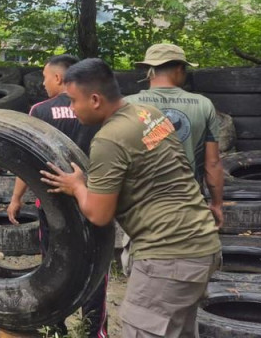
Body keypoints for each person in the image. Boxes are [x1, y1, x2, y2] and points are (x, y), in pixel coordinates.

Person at [41, 58, 221, 338]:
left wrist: (76, 186)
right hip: (202, 244)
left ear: (96, 99)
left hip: (167, 257)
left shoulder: (108, 139)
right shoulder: (148, 114)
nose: (72, 109)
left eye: (74, 101)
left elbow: (99, 214)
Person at [7, 55, 106, 338]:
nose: (42, 82)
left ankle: (55, 329)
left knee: (53, 265)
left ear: (59, 79)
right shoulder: (97, 106)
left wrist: (16, 198)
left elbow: (24, 160)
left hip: (51, 204)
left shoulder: (40, 110)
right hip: (92, 199)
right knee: (95, 267)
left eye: (45, 77)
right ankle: (94, 332)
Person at [125, 43, 224, 228]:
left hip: (141, 207)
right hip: (190, 205)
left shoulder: (127, 105)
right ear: (180, 68)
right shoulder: (203, 105)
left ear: (149, 70)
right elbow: (213, 163)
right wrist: (217, 204)